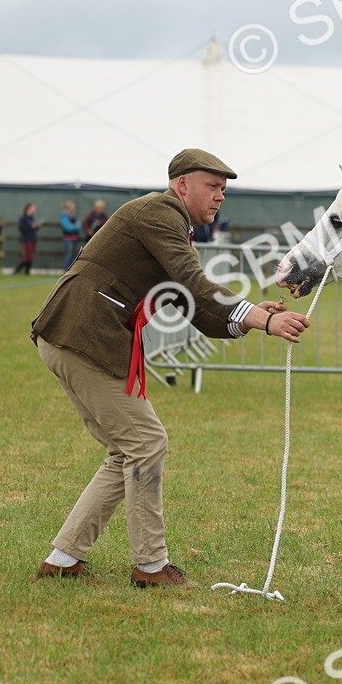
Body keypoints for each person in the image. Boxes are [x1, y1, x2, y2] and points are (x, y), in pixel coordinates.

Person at [31, 148, 310, 588]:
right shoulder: (160, 212)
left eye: (224, 190)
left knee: (129, 448)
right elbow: (195, 283)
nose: (220, 197)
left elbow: (194, 307)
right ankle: (150, 566)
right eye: (213, 186)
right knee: (146, 441)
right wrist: (260, 316)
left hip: (74, 336)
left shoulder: (164, 219)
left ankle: (64, 558)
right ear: (182, 185)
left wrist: (253, 320)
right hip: (82, 336)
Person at [14, 203, 41, 275]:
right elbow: (21, 228)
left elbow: (34, 229)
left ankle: (26, 271)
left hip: (32, 238)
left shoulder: (32, 218)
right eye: (33, 209)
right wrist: (31, 227)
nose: (34, 211)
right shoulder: (23, 218)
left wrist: (37, 226)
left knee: (30, 256)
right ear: (28, 209)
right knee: (27, 256)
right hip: (26, 239)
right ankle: (18, 270)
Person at [60, 200, 81, 271]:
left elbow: (79, 226)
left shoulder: (74, 215)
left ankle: (71, 271)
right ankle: (65, 271)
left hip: (75, 238)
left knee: (73, 256)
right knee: (68, 256)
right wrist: (74, 226)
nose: (74, 208)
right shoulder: (64, 216)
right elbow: (67, 227)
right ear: (68, 207)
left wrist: (73, 226)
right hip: (68, 239)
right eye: (72, 206)